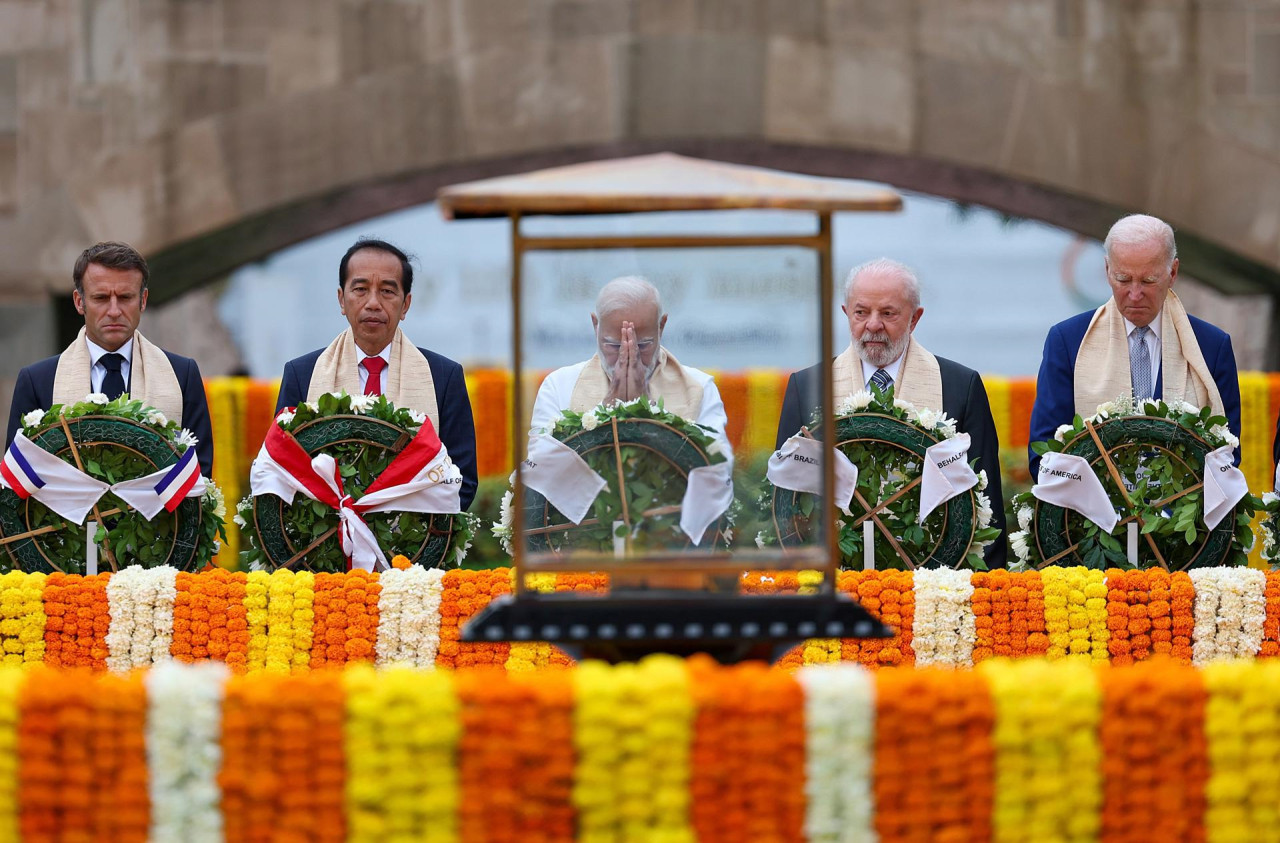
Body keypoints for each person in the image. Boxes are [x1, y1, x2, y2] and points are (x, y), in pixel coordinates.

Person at [776, 257, 1006, 567]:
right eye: (861, 312)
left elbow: (985, 502)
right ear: (846, 314)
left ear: (914, 319)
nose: (872, 325)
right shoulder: (808, 387)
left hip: (937, 577)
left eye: (888, 313)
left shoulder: (959, 386)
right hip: (835, 575)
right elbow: (786, 498)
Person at [274, 238, 478, 509]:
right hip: (327, 544)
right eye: (360, 289)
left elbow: (462, 479)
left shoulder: (443, 376)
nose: (373, 303)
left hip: (413, 543)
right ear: (341, 299)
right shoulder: (303, 374)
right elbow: (280, 468)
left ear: (405, 304)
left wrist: (416, 534)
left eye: (387, 291)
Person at [1029, 214, 1240, 473]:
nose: (1135, 294)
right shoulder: (1068, 342)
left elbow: (1228, 452)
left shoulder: (1211, 346)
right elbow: (1045, 450)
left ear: (1172, 273)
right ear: (1107, 270)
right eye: (1123, 279)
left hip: (1186, 509)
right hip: (1091, 511)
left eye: (1148, 281)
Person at [6, 242, 214, 475]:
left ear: (143, 300)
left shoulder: (182, 374)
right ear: (79, 302)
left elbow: (200, 477)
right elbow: (17, 480)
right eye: (101, 298)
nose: (114, 311)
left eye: (125, 297)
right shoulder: (37, 380)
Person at [528, 276, 728, 440]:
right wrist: (606, 411)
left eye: (642, 345)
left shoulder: (699, 389)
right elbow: (541, 473)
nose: (628, 356)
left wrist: (646, 413)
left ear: (662, 326)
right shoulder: (558, 386)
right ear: (595, 325)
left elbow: (715, 475)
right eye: (614, 345)